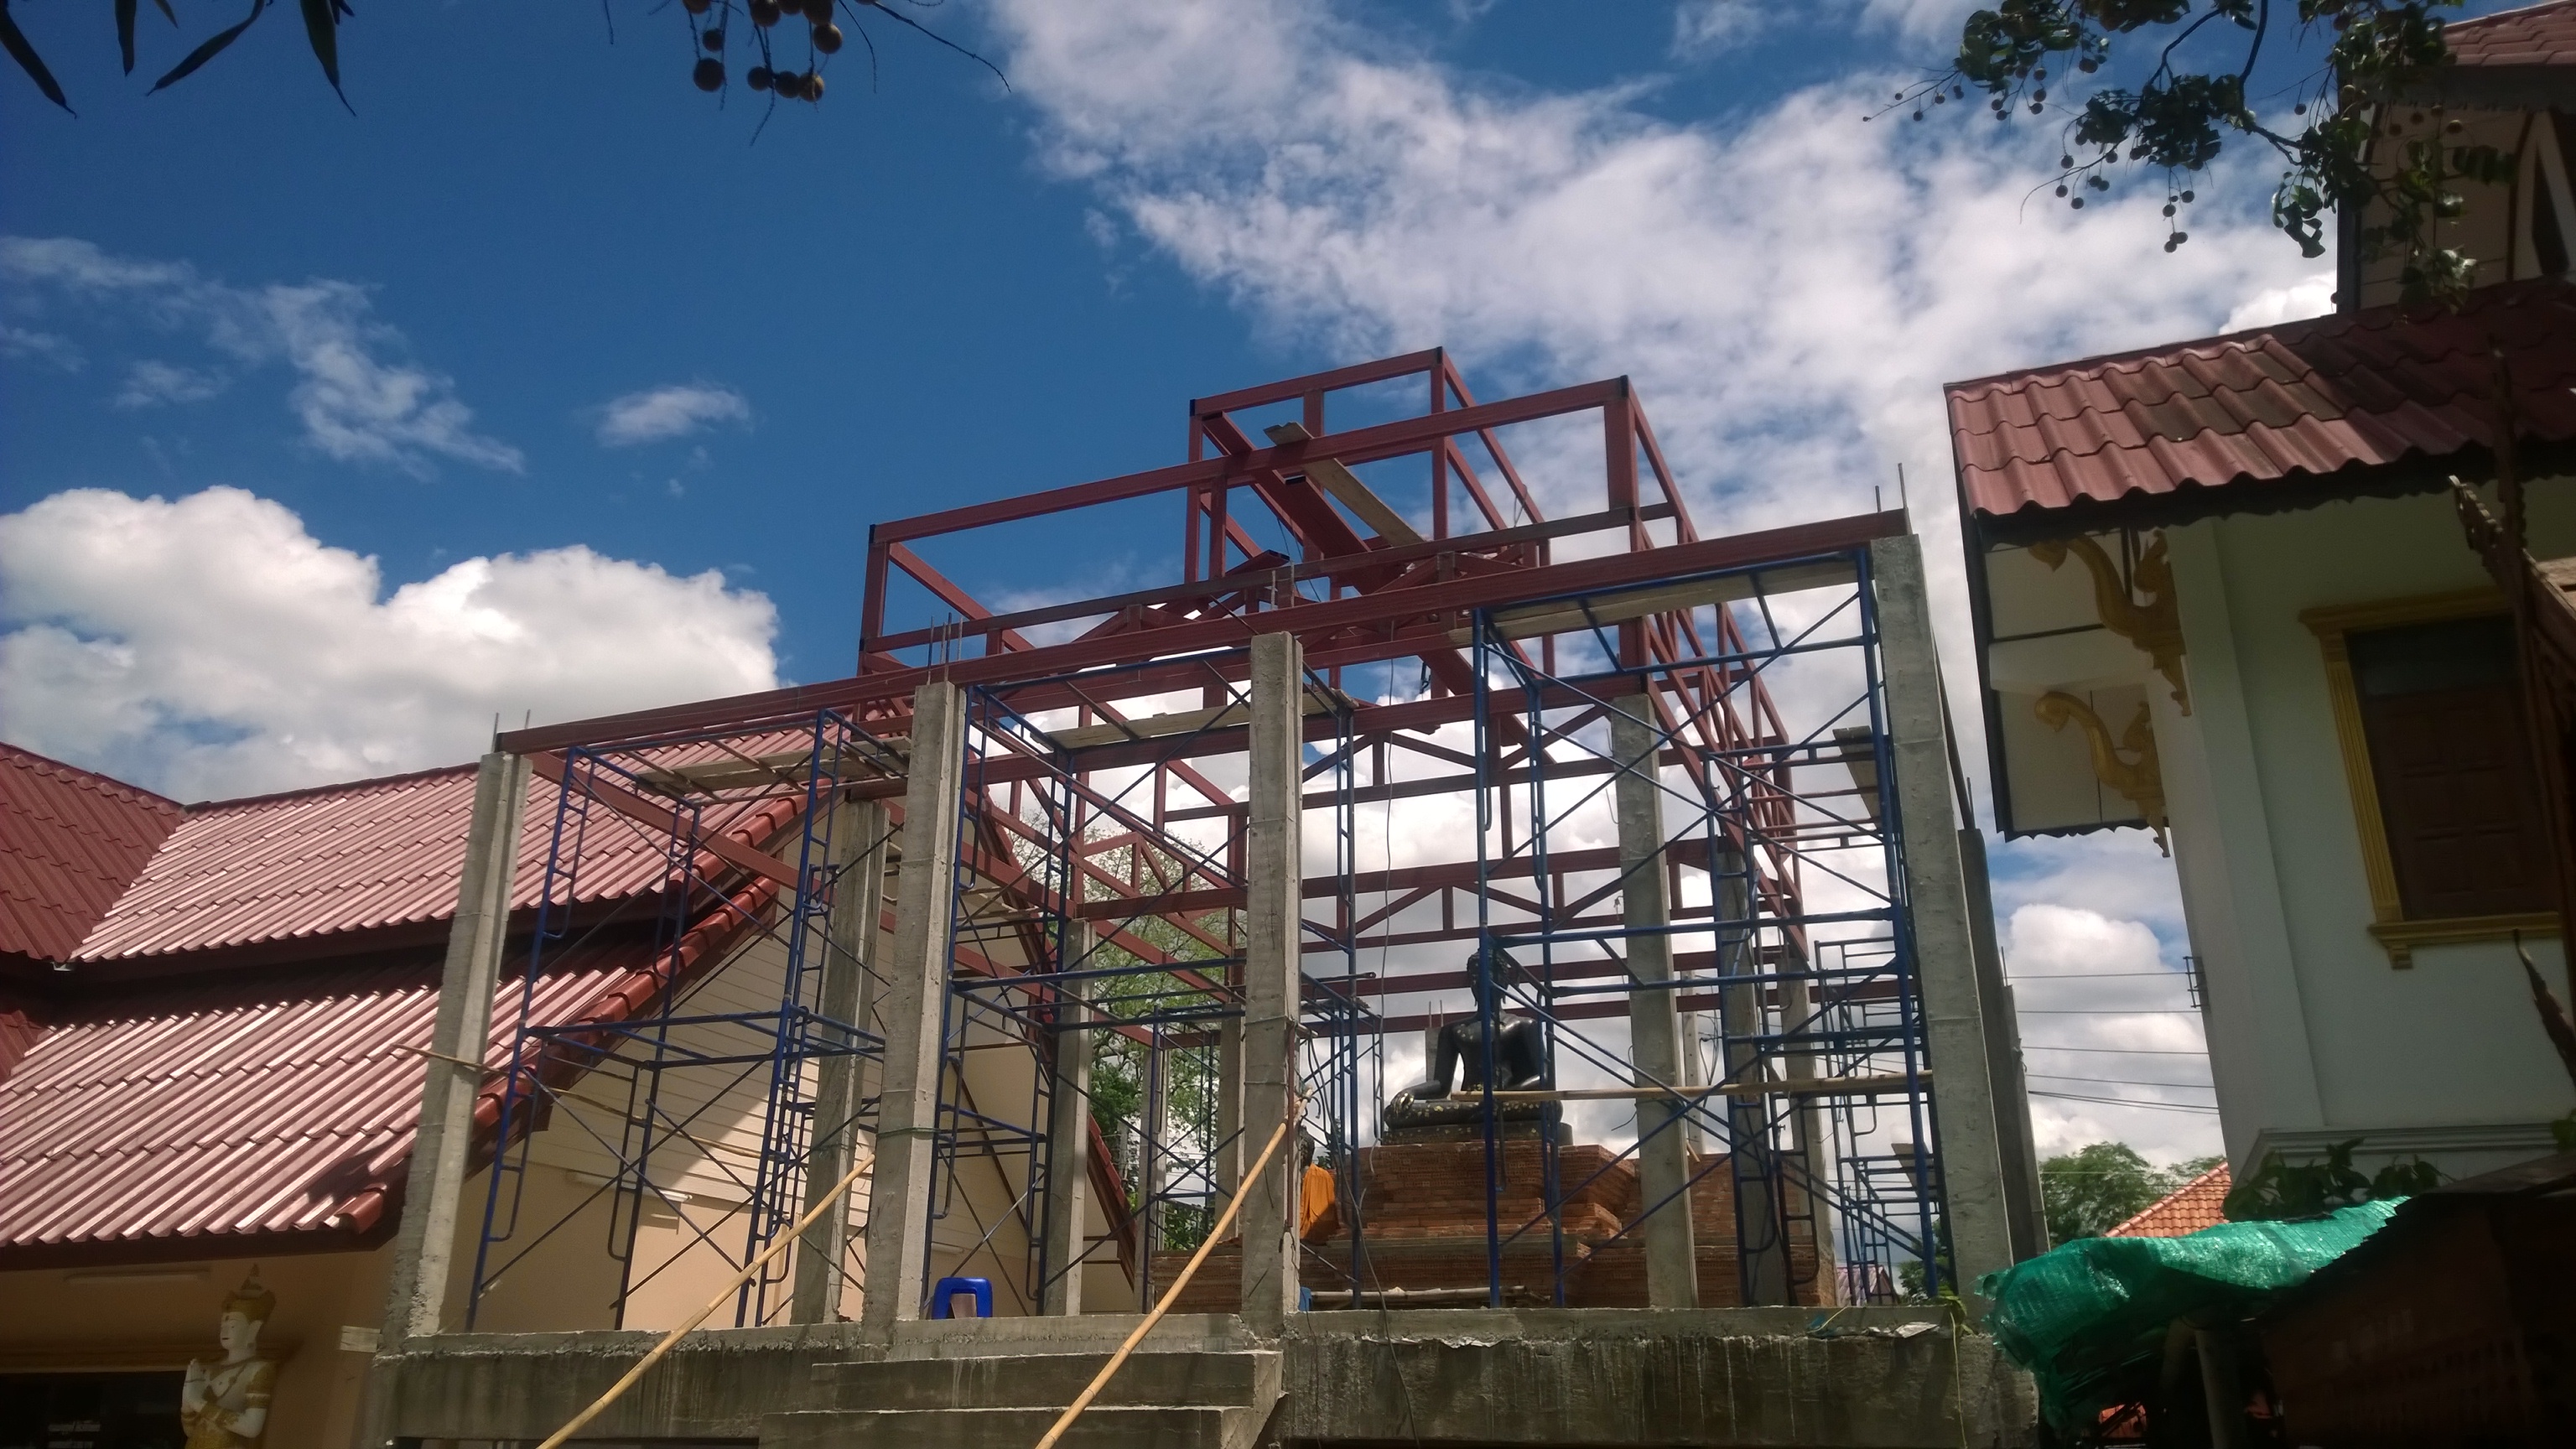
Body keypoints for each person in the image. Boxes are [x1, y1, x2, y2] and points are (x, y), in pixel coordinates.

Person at [1383, 946, 1552, 1132]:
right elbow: (1441, 1085)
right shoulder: (1454, 1030)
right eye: (1473, 976)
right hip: (1469, 1104)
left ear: (1503, 981)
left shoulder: (1523, 1025)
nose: (1477, 981)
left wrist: (1503, 1096)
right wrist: (1411, 1091)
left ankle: (1489, 1109)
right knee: (1394, 1113)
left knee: (1548, 1106)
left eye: (1485, 975)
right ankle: (1479, 1113)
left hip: (1507, 1102)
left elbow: (1545, 1077)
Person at [181, 1272, 278, 1448]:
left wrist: (198, 1403)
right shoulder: (211, 1370)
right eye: (222, 1326)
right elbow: (190, 1429)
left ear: (253, 1329)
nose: (224, 1331)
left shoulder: (259, 1369)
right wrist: (187, 1400)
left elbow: (252, 1427)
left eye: (232, 1325)